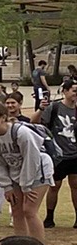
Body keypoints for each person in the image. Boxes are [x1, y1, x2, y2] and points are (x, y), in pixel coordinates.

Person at [0, 101, 50, 238]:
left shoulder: (20, 132)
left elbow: (32, 158)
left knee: (29, 211)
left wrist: (26, 185)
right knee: (16, 210)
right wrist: (7, 187)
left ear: (2, 117)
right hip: (16, 173)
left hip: (38, 171)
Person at [39, 79, 77, 228]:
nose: (75, 94)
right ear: (65, 91)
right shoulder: (54, 108)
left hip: (74, 153)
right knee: (54, 186)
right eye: (73, 90)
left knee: (75, 185)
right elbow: (42, 126)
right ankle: (49, 217)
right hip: (58, 154)